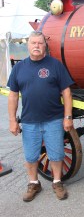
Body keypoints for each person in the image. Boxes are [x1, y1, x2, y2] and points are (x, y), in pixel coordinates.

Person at [7, 31, 74, 202]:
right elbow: (13, 96)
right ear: (28, 45)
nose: (36, 46)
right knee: (30, 156)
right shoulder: (18, 69)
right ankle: (34, 183)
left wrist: (68, 116)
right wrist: (13, 120)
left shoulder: (55, 65)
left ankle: (57, 182)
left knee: (57, 154)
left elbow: (66, 92)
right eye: (33, 43)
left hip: (53, 119)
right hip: (29, 121)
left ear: (45, 46)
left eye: (40, 43)